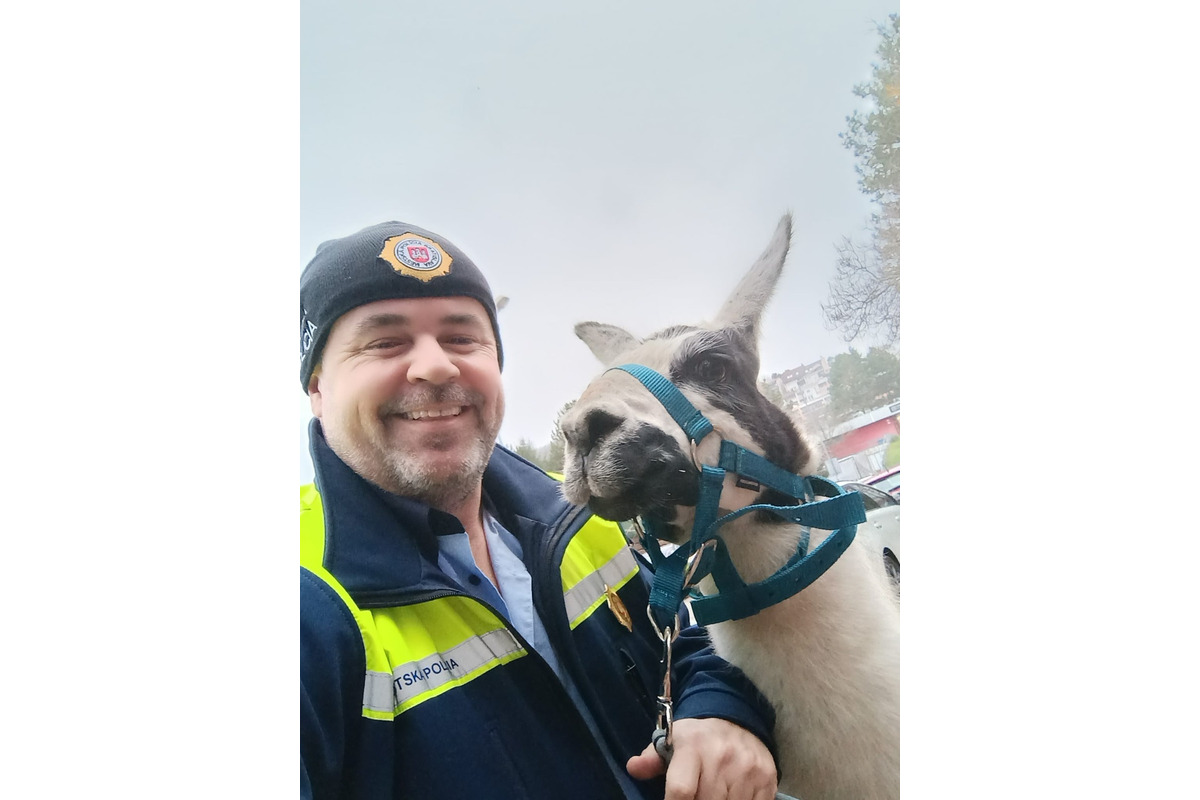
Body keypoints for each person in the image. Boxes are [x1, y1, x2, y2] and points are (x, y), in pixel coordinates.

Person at [299, 221, 781, 800]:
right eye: (385, 341)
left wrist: (718, 712)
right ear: (318, 388)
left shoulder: (578, 519)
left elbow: (686, 646)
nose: (437, 367)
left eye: (462, 338)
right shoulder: (304, 603)